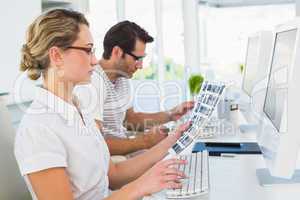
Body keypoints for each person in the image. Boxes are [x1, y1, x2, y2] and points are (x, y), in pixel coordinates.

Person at [14, 9, 189, 199]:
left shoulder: (81, 111)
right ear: (56, 56)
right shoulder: (38, 129)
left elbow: (113, 175)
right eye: (88, 50)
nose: (94, 60)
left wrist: (170, 143)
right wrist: (140, 186)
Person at [75, 21, 194, 156]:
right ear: (117, 52)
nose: (140, 66)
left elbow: (130, 120)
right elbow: (94, 145)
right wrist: (144, 141)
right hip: (109, 160)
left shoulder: (123, 78)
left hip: (123, 154)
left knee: (178, 160)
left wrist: (171, 115)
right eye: (137, 59)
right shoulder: (93, 82)